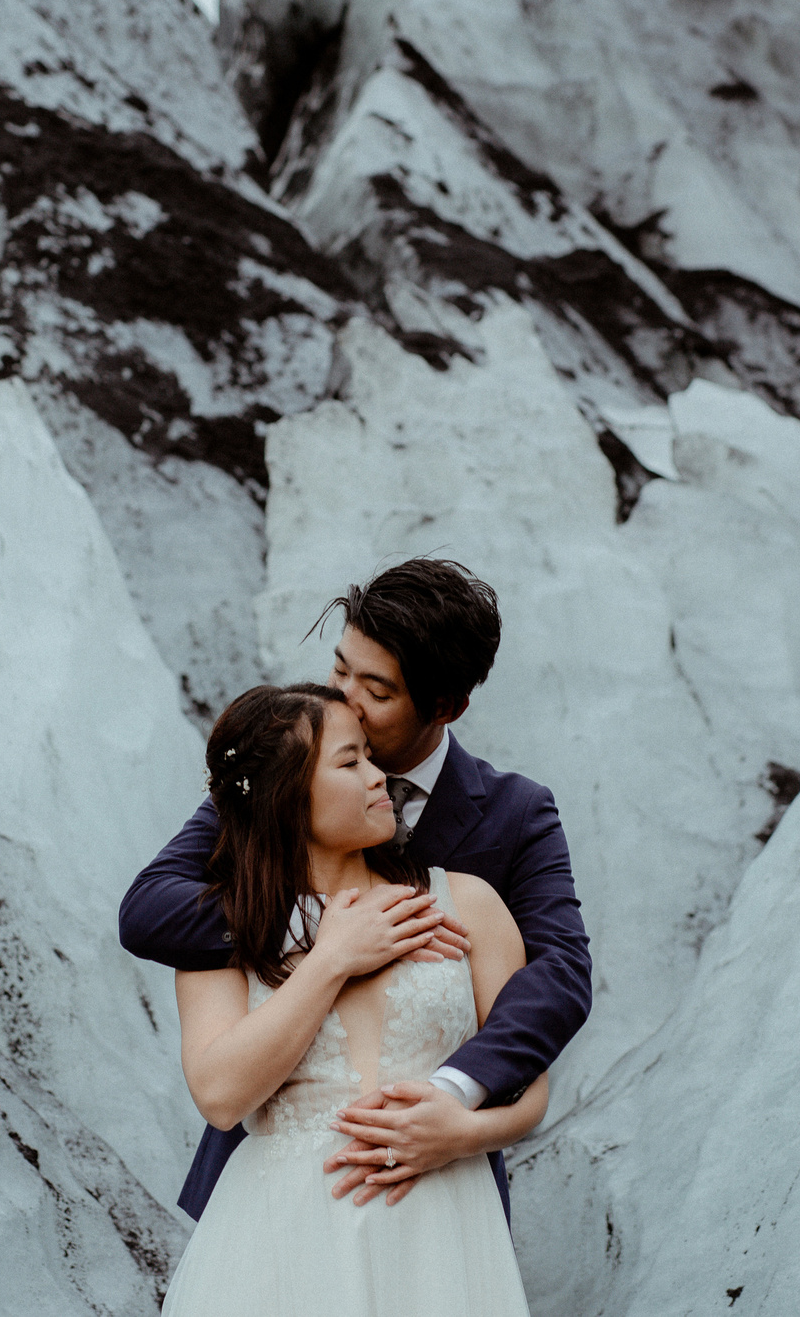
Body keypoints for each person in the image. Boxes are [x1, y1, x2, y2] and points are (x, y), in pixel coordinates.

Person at [121, 558, 591, 1219]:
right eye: (341, 668)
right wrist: (329, 926)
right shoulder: (283, 771)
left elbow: (561, 975)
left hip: (437, 1182)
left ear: (445, 705)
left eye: (376, 689)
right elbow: (148, 910)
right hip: (268, 1182)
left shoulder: (514, 814)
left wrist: (461, 1098)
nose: (344, 699)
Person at [154, 683, 539, 1315]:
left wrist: (463, 1134)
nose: (377, 776)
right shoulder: (225, 927)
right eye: (349, 761)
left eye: (370, 754)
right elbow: (221, 1096)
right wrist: (332, 957)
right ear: (287, 798)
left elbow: (532, 1088)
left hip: (445, 1229)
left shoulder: (467, 903)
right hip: (279, 1242)